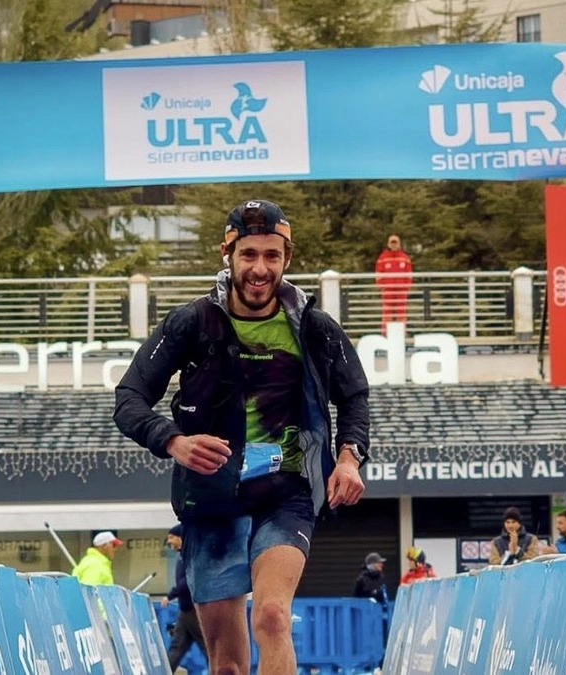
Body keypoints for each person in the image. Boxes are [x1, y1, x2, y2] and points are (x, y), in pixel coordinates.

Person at [113, 198, 371, 675]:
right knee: (228, 666)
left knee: (273, 617)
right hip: (211, 501)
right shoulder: (191, 323)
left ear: (287, 259)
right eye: (248, 254)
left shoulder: (312, 327)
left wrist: (350, 457)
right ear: (227, 254)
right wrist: (175, 442)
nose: (259, 268)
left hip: (284, 492)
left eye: (272, 256)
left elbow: (354, 395)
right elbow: (128, 398)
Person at [161, 524, 206, 672]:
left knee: (207, 645)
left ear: (181, 537)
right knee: (177, 647)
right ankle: (165, 672)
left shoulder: (190, 555)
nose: (169, 542)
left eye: (171, 537)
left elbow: (187, 581)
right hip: (186, 609)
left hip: (194, 609)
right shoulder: (183, 556)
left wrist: (170, 595)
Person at [375, 234, 412, 334]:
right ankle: (385, 333)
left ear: (399, 244)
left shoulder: (405, 257)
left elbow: (409, 275)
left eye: (395, 242)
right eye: (392, 242)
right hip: (388, 290)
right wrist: (382, 286)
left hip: (401, 290)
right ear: (389, 244)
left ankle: (402, 333)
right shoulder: (383, 257)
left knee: (401, 311)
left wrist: (406, 288)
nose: (394, 245)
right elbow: (378, 273)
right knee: (387, 311)